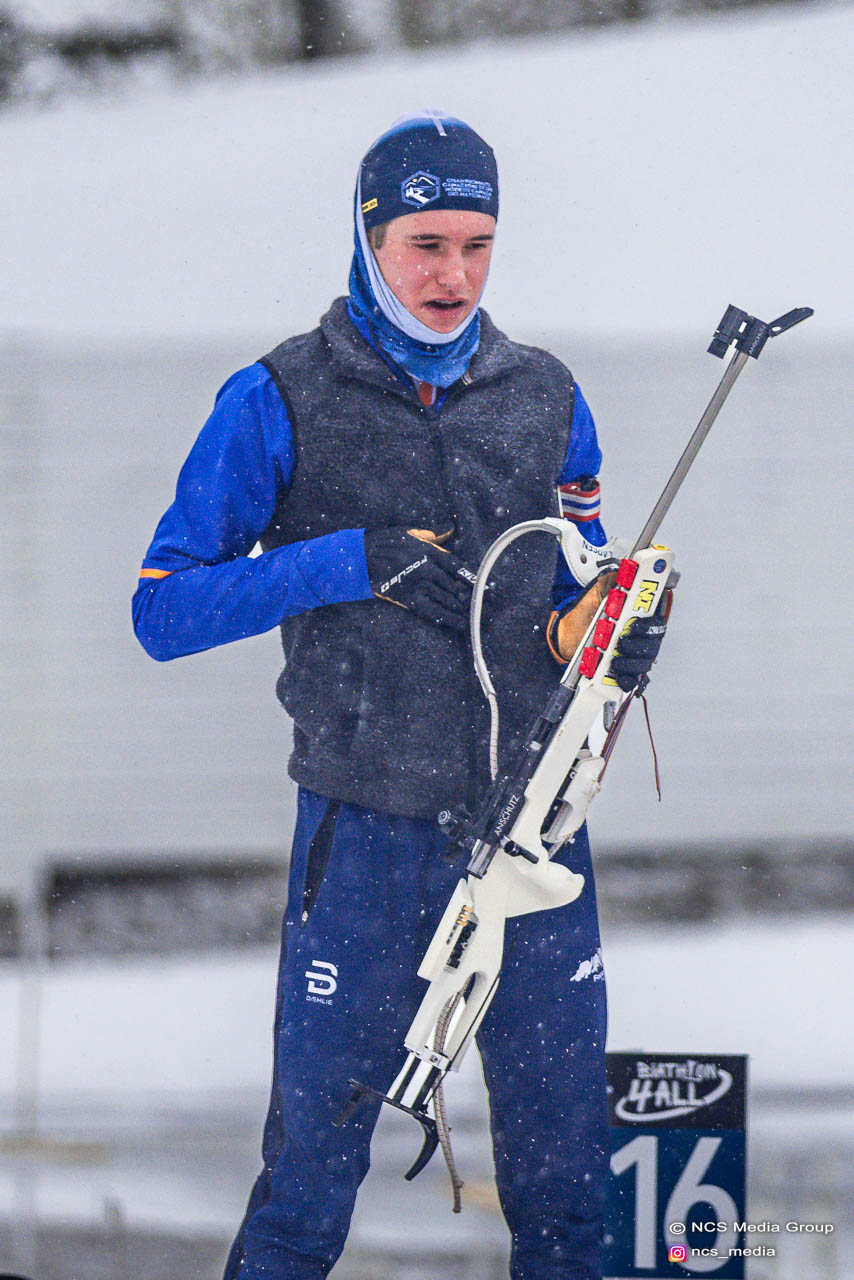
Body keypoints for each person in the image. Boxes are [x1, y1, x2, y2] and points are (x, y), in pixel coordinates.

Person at [133, 110, 667, 1280]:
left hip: (533, 833)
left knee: (570, 1200)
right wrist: (345, 560)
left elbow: (569, 591)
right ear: (367, 237)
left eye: (477, 245)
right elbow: (162, 611)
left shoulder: (544, 395)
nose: (452, 276)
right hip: (363, 835)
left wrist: (607, 633)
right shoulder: (277, 396)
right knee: (303, 1199)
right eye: (425, 244)